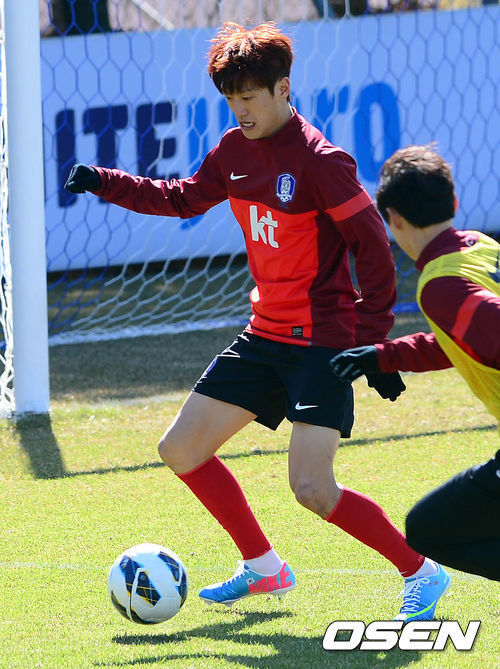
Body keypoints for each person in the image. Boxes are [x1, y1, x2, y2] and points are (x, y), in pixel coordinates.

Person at [65, 23, 450, 619]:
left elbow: (374, 249)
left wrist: (374, 345)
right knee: (181, 449)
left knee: (312, 489)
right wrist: (105, 182)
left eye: (249, 97)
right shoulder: (232, 151)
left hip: (322, 343)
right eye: (231, 99)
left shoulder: (322, 162)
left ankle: (421, 571)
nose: (240, 110)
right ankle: (264, 568)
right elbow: (181, 198)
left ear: (282, 89)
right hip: (265, 333)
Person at [330, 144, 500, 581]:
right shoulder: (479, 247)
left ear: (394, 219)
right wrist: (385, 355)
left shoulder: (441, 284)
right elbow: (469, 339)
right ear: (454, 202)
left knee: (430, 531)